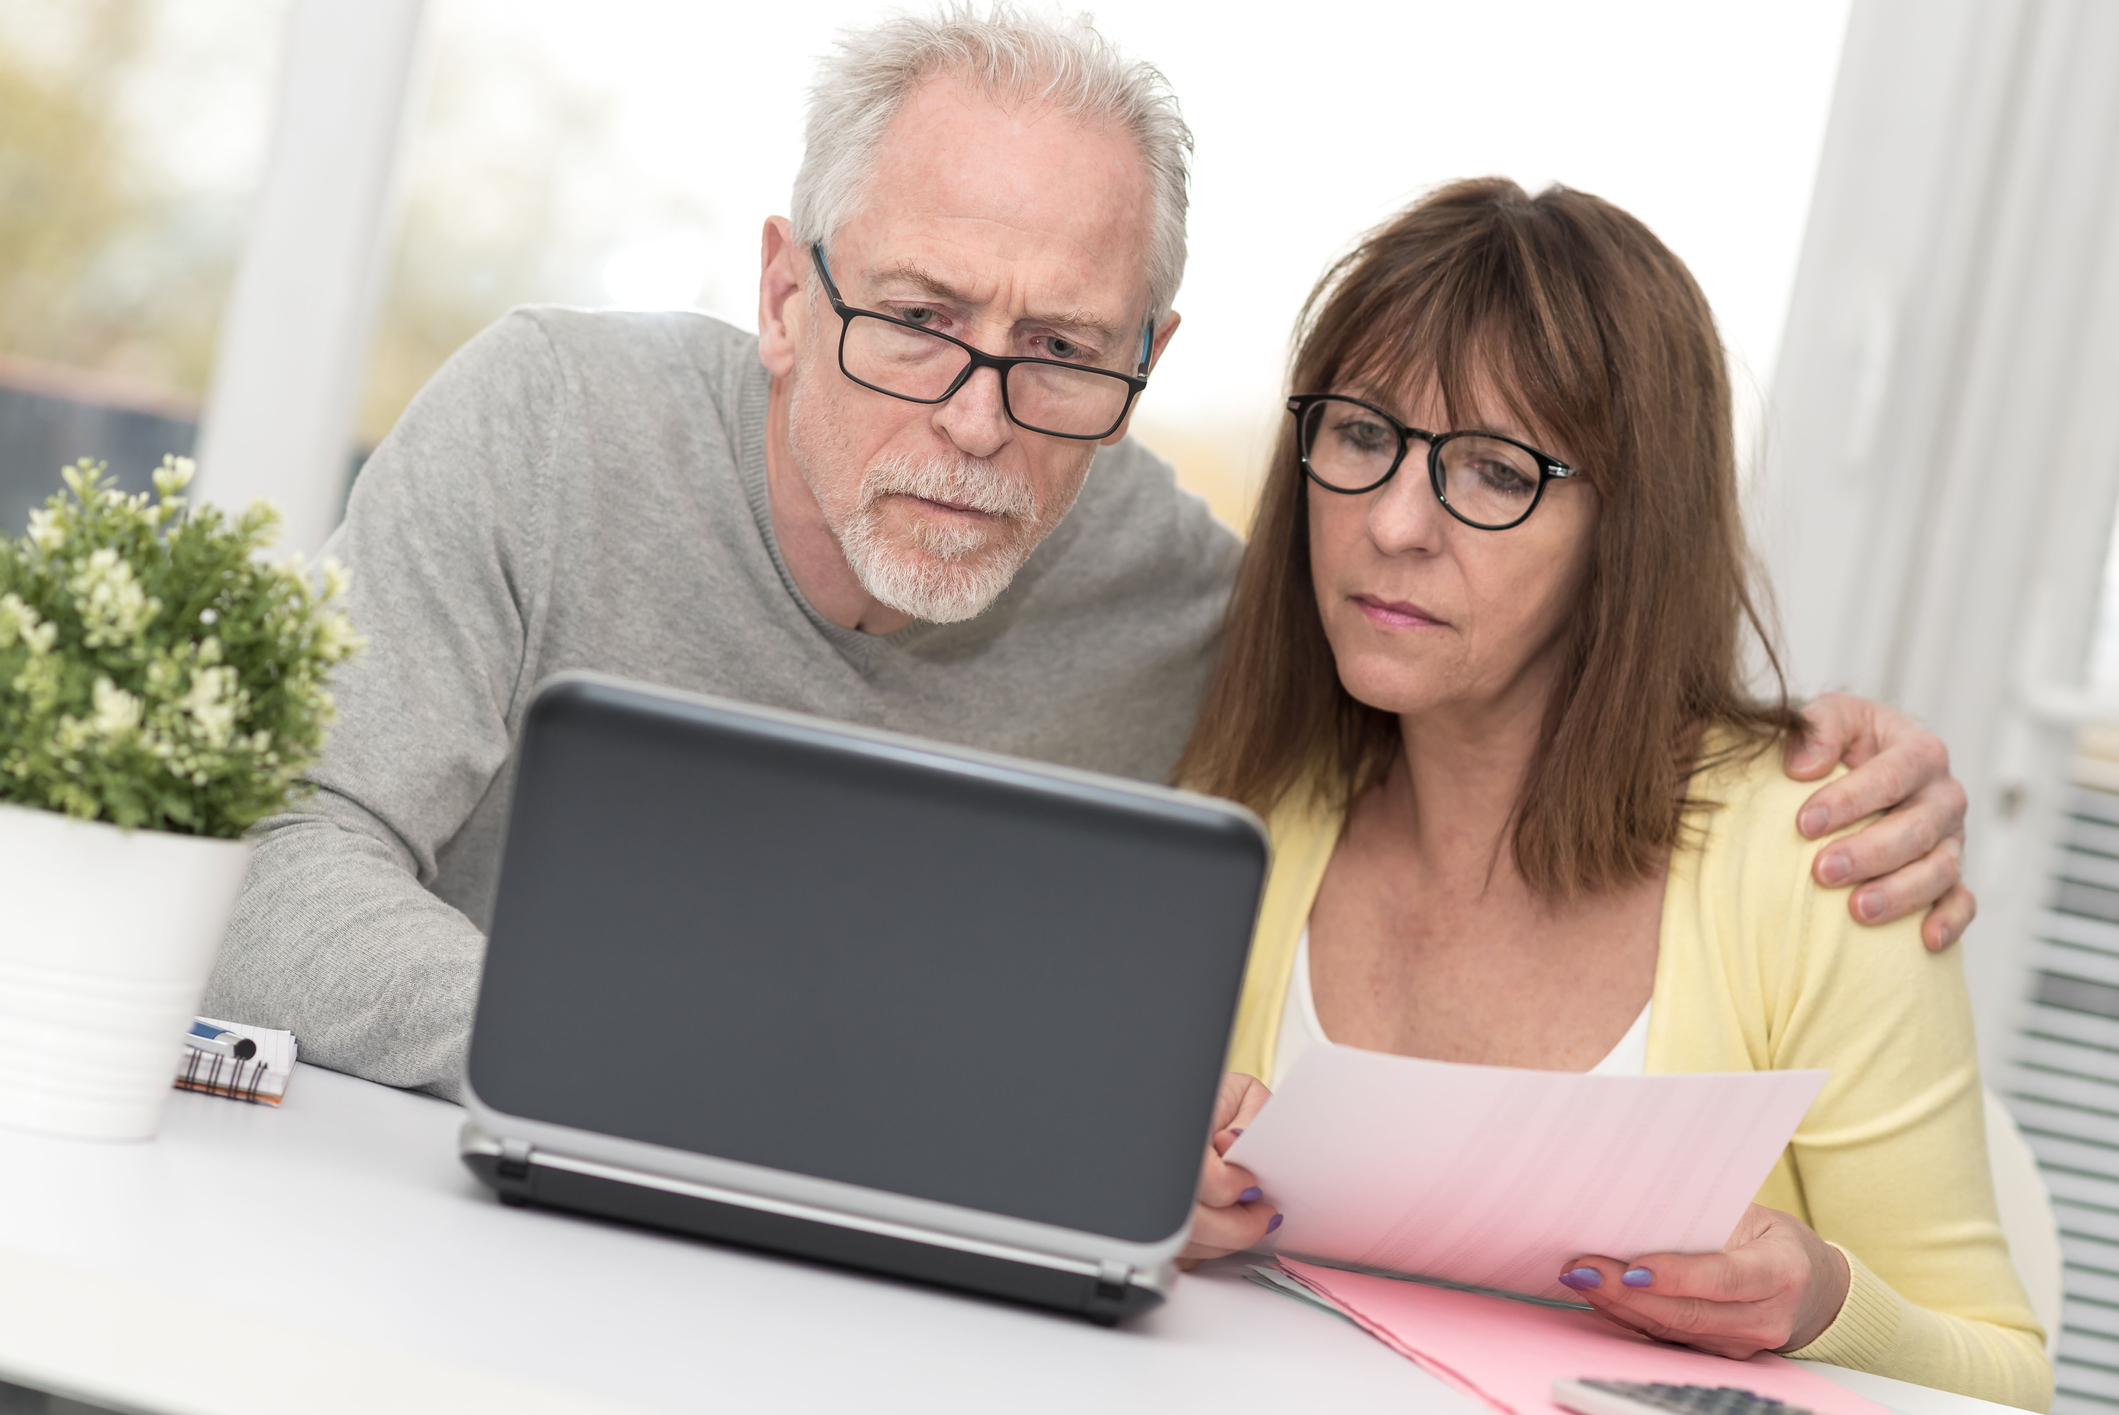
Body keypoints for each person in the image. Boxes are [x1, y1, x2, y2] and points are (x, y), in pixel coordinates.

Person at [206, 6, 1972, 1097]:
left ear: (1146, 366)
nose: (977, 419)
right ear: (779, 293)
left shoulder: (1217, 628)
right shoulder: (545, 425)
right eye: (914, 317)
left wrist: (1808, 761)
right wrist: (697, 1059)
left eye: (1061, 351)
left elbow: (1493, 665)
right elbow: (279, 866)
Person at [1173, 179, 2049, 1409]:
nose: (1394, 521)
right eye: (1363, 435)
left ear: (1623, 527)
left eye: (1492, 469)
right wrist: (1150, 1207)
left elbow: (2009, 1377)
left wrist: (1820, 1304)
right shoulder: (1238, 810)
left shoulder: (1822, 856)